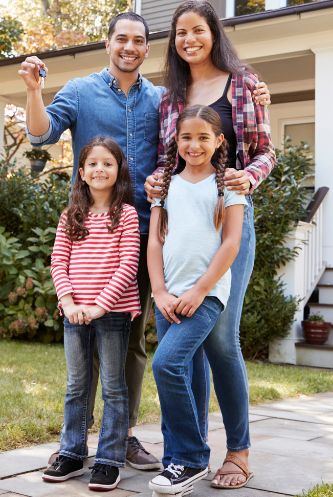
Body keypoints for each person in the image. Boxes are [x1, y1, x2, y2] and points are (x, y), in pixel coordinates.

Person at [20, 11, 270, 470]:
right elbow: (41, 134)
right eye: (121, 39)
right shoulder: (98, 92)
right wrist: (34, 91)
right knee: (111, 341)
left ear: (149, 48)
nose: (129, 47)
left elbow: (251, 148)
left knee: (164, 342)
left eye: (139, 40)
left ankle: (141, 439)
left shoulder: (191, 92)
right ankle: (88, 444)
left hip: (184, 225)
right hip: (119, 232)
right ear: (108, 42)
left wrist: (245, 174)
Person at [145, 0, 276, 489]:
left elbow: (265, 151)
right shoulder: (169, 95)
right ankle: (190, 452)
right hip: (182, 222)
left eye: (197, 30)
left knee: (222, 340)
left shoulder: (244, 82)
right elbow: (166, 159)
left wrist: (247, 178)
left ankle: (238, 453)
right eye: (180, 32)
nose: (189, 39)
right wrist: (156, 185)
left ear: (212, 33)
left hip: (228, 216)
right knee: (187, 344)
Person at [147, 105, 245, 496]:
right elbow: (154, 241)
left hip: (204, 295)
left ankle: (190, 458)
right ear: (176, 140)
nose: (194, 144)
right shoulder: (164, 186)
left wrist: (201, 288)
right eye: (187, 137)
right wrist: (159, 292)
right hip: (168, 295)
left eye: (204, 137)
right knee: (183, 371)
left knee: (166, 364)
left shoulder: (229, 186)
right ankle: (178, 460)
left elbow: (232, 243)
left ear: (219, 141)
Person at [45, 136, 141, 491]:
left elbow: (129, 263)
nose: (100, 169)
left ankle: (110, 459)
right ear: (81, 173)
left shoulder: (126, 214)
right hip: (74, 313)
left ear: (119, 171)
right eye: (93, 164)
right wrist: (68, 303)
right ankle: (71, 452)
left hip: (112, 312)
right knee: (76, 386)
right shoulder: (72, 215)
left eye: (108, 163)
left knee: (114, 387)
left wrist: (102, 303)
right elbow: (59, 261)